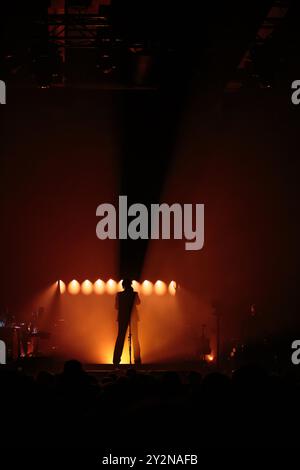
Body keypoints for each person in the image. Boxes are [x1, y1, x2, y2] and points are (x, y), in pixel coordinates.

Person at [113, 279, 141, 366]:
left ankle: (116, 360)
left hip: (122, 318)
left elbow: (116, 307)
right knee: (135, 339)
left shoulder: (119, 294)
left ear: (123, 286)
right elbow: (138, 303)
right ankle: (137, 360)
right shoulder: (134, 294)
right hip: (133, 317)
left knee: (120, 338)